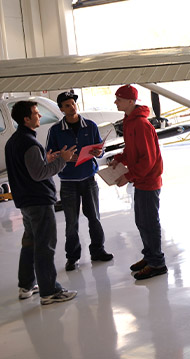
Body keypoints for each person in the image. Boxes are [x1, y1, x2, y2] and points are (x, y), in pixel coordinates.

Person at [5, 100, 78, 305]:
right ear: (26, 118)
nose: (39, 116)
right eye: (36, 113)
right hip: (38, 202)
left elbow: (28, 168)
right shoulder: (29, 142)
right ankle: (50, 291)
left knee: (30, 244)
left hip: (25, 202)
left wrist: (45, 158)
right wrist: (62, 159)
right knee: (45, 246)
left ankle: (26, 285)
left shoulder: (15, 141)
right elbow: (40, 174)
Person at [46, 91, 113, 271]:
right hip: (68, 182)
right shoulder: (55, 131)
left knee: (95, 218)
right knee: (71, 222)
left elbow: (100, 148)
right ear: (61, 109)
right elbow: (49, 155)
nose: (72, 107)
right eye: (67, 105)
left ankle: (98, 250)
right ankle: (72, 257)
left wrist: (100, 153)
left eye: (73, 103)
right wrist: (61, 157)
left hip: (89, 179)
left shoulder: (90, 126)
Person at [110, 84, 167, 280]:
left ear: (130, 102)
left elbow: (147, 160)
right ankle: (150, 255)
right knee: (141, 221)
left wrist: (128, 176)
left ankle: (157, 263)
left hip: (148, 181)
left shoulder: (141, 125)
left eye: (118, 99)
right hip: (141, 181)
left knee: (150, 222)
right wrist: (120, 158)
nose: (115, 102)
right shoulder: (129, 122)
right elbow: (133, 151)